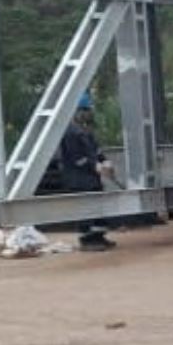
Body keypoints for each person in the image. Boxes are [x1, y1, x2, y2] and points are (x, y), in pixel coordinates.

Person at [52, 91, 115, 251]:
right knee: (86, 209)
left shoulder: (85, 130)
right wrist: (95, 166)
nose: (87, 114)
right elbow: (76, 157)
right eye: (84, 111)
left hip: (91, 178)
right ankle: (87, 240)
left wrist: (104, 161)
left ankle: (99, 236)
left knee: (97, 208)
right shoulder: (69, 132)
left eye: (88, 111)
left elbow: (95, 150)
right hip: (78, 178)